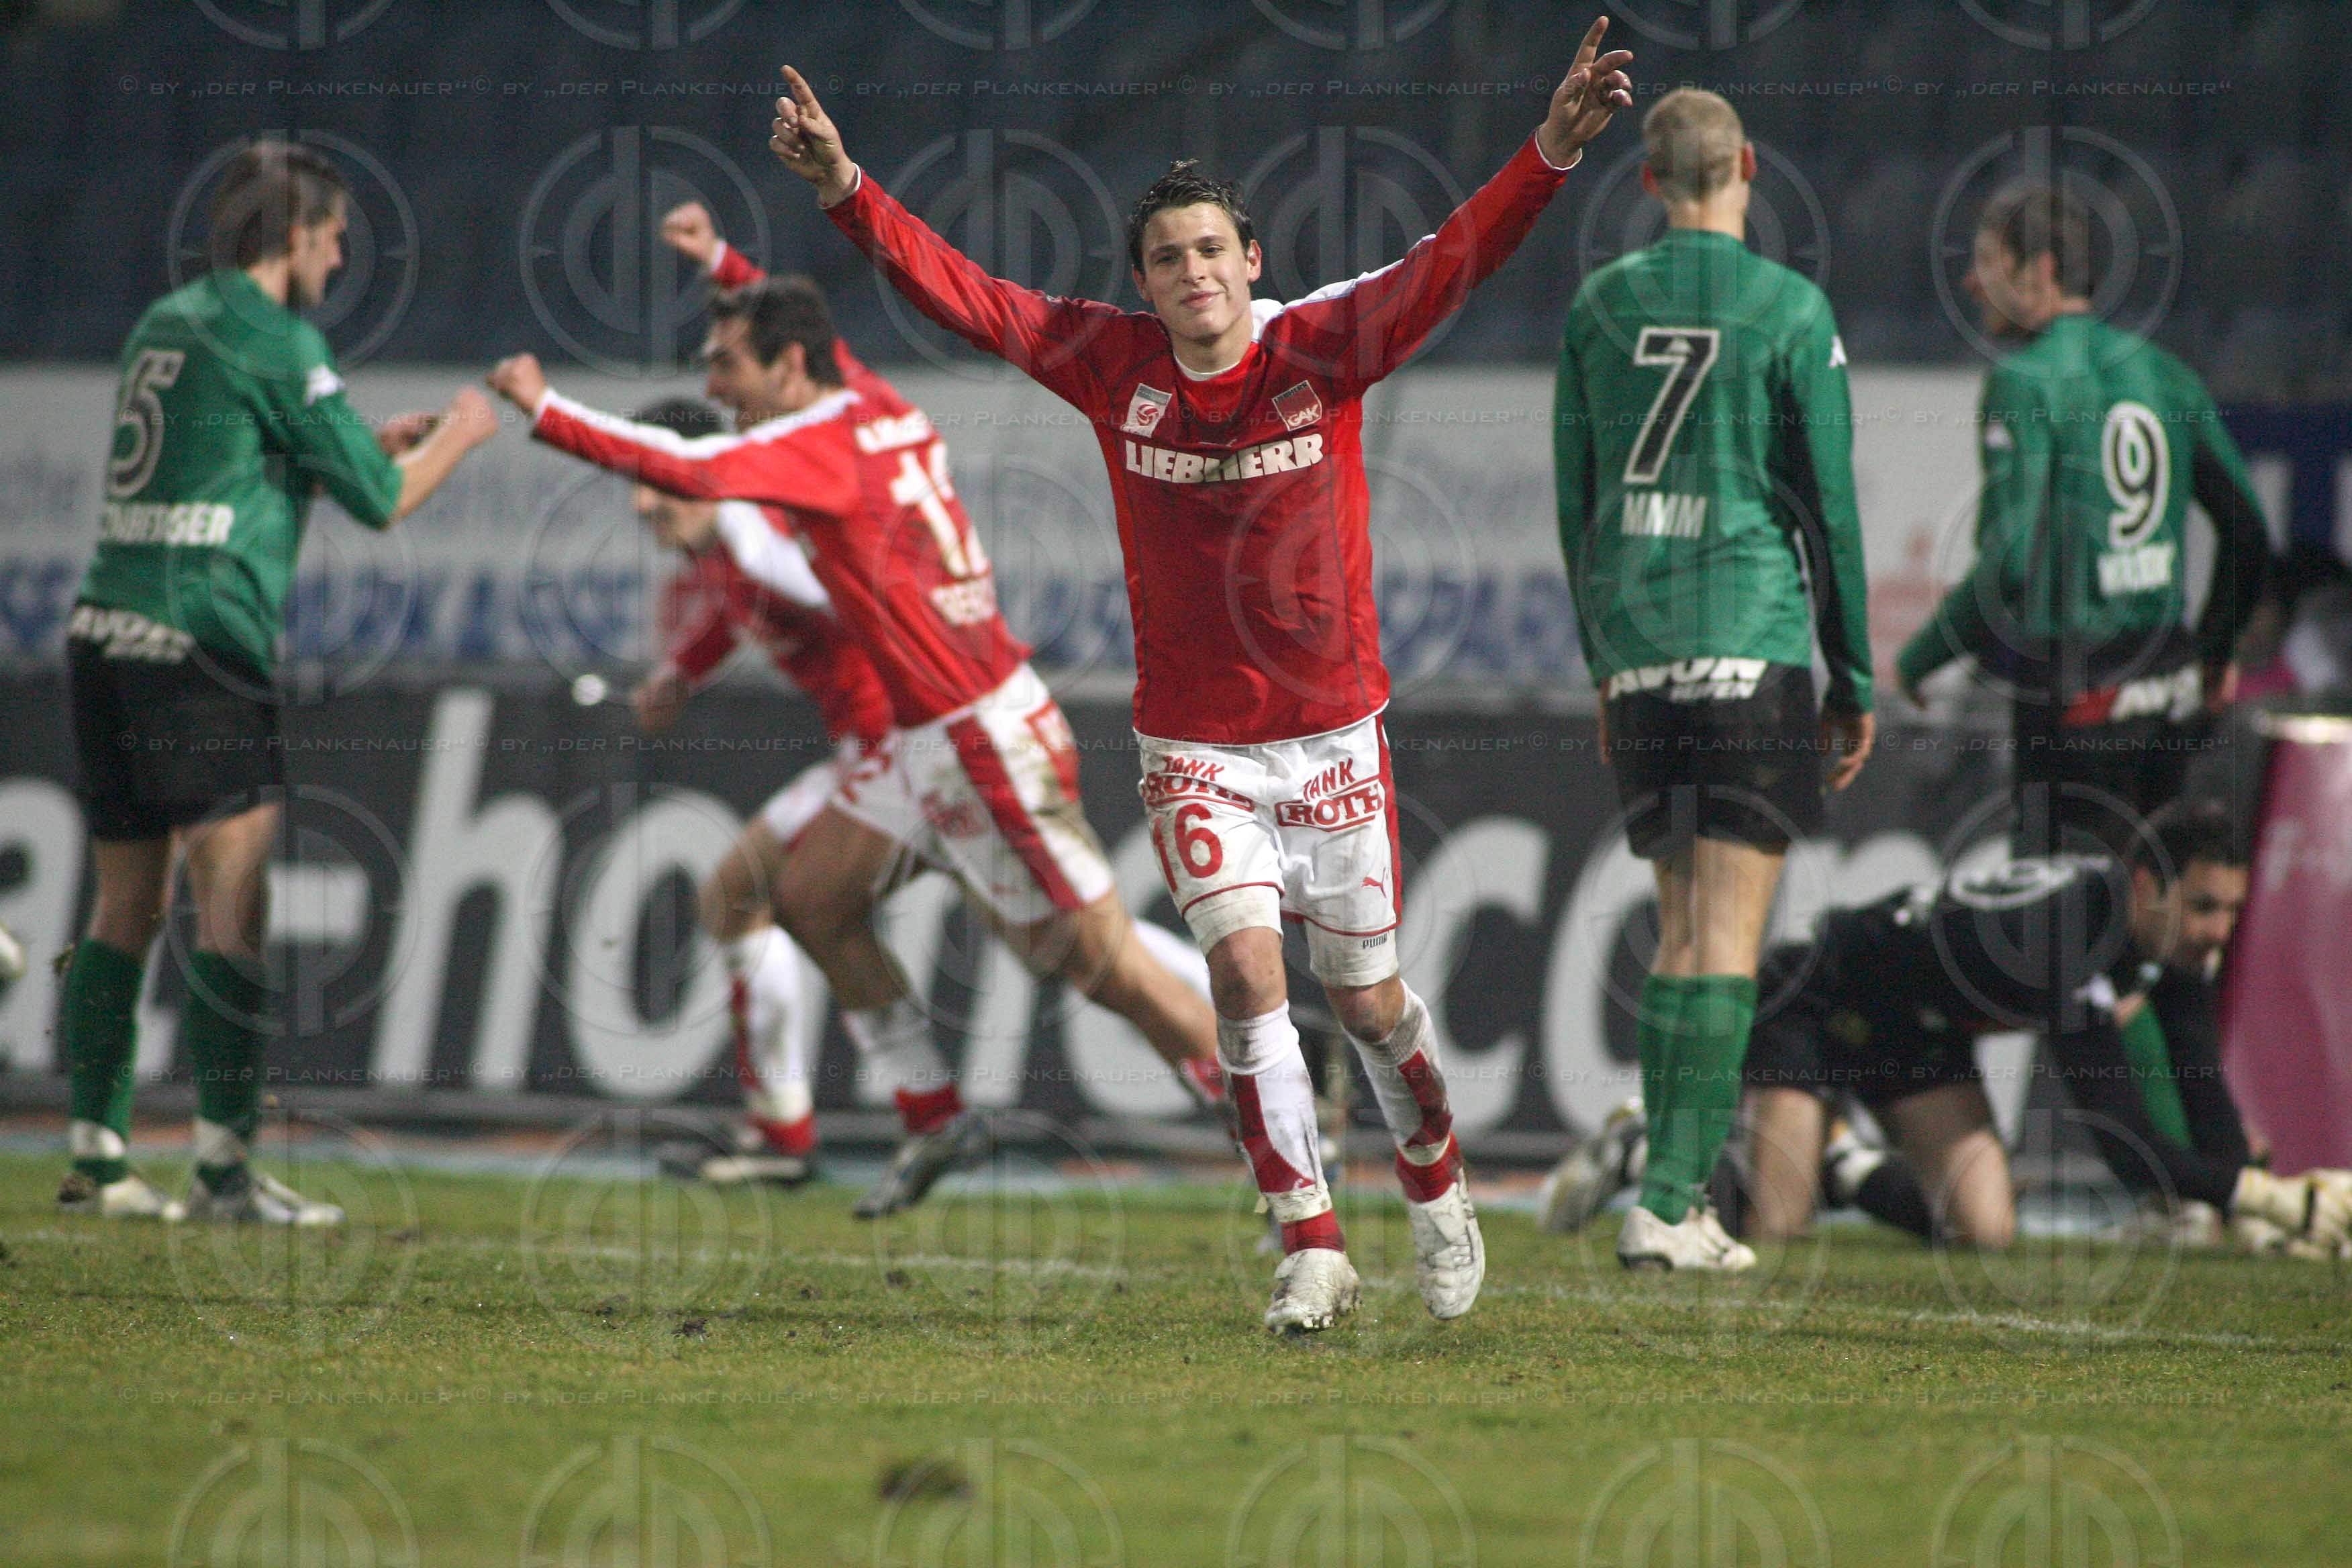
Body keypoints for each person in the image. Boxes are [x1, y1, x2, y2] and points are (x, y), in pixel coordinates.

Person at [767, 18, 1636, 1330]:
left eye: (1209, 251)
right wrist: (844, 189)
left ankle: (1435, 1180)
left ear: (1251, 263)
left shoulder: (1321, 349)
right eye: (1167, 259)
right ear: (1148, 284)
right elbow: (966, 292)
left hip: (1336, 736)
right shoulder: (1110, 364)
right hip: (1197, 746)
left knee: (1370, 1000)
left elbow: (1453, 262)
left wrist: (1552, 154)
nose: (1191, 274)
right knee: (1241, 977)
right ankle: (1311, 1238)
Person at [487, 277, 1224, 1220]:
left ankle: (1268, 1108)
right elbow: (767, 565)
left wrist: (545, 410)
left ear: (785, 369)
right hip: (923, 739)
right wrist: (718, 260)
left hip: (948, 732)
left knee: (1090, 958)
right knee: (813, 899)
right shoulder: (858, 415)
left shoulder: (774, 495)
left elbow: (750, 522)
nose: (719, 391)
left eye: (727, 368)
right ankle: (930, 1111)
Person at [58, 140, 497, 1222]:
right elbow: (386, 499)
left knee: (124, 905)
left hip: (105, 630)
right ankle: (222, 1167)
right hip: (205, 644)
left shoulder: (168, 321)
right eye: (335, 234)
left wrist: (339, 440)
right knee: (232, 912)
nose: (342, 255)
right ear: (294, 233)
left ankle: (98, 1158)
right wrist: (465, 434)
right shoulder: (275, 334)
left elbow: (242, 450)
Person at [1551, 89, 1873, 1270]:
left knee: (1679, 932)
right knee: (1726, 939)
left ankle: (1671, 1198)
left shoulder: (1595, 308)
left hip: (1639, 652)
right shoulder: (1788, 307)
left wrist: (1602, 662)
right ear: (1743, 166)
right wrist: (1853, 675)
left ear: (1644, 181)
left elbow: (1576, 508)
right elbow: (1827, 508)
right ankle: (1674, 1202)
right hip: (1747, 636)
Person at [1541, 800, 2352, 1257]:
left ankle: (1843, 1164)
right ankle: (1651, 1147)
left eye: (2233, 911)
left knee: (1984, 1229)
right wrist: (2272, 1198)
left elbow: (2201, 1086)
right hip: (1823, 995)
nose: (2218, 929)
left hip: (1915, 1031)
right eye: (2206, 906)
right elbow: (2121, 1134)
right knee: (1778, 1229)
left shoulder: (2160, 939)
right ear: (2148, 887)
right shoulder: (2070, 937)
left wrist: (2254, 1204)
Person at [1896, 181, 2272, 859]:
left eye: (1987, 262)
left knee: (2057, 920)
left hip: (2077, 688)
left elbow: (2010, 564)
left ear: (2040, 270)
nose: (1971, 284)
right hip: (2169, 679)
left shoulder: (2025, 380)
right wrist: (2215, 651)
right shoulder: (2166, 373)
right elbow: (2248, 530)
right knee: (2152, 895)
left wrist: (1919, 659)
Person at [624, 395, 896, 1187]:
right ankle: (786, 1132)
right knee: (735, 899)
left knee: (1079, 945)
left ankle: (816, 1127)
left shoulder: (752, 524)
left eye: (656, 483)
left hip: (905, 750)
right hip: (873, 752)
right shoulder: (725, 545)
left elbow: (847, 590)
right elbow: (738, 605)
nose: (642, 503)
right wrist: (682, 669)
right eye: (635, 484)